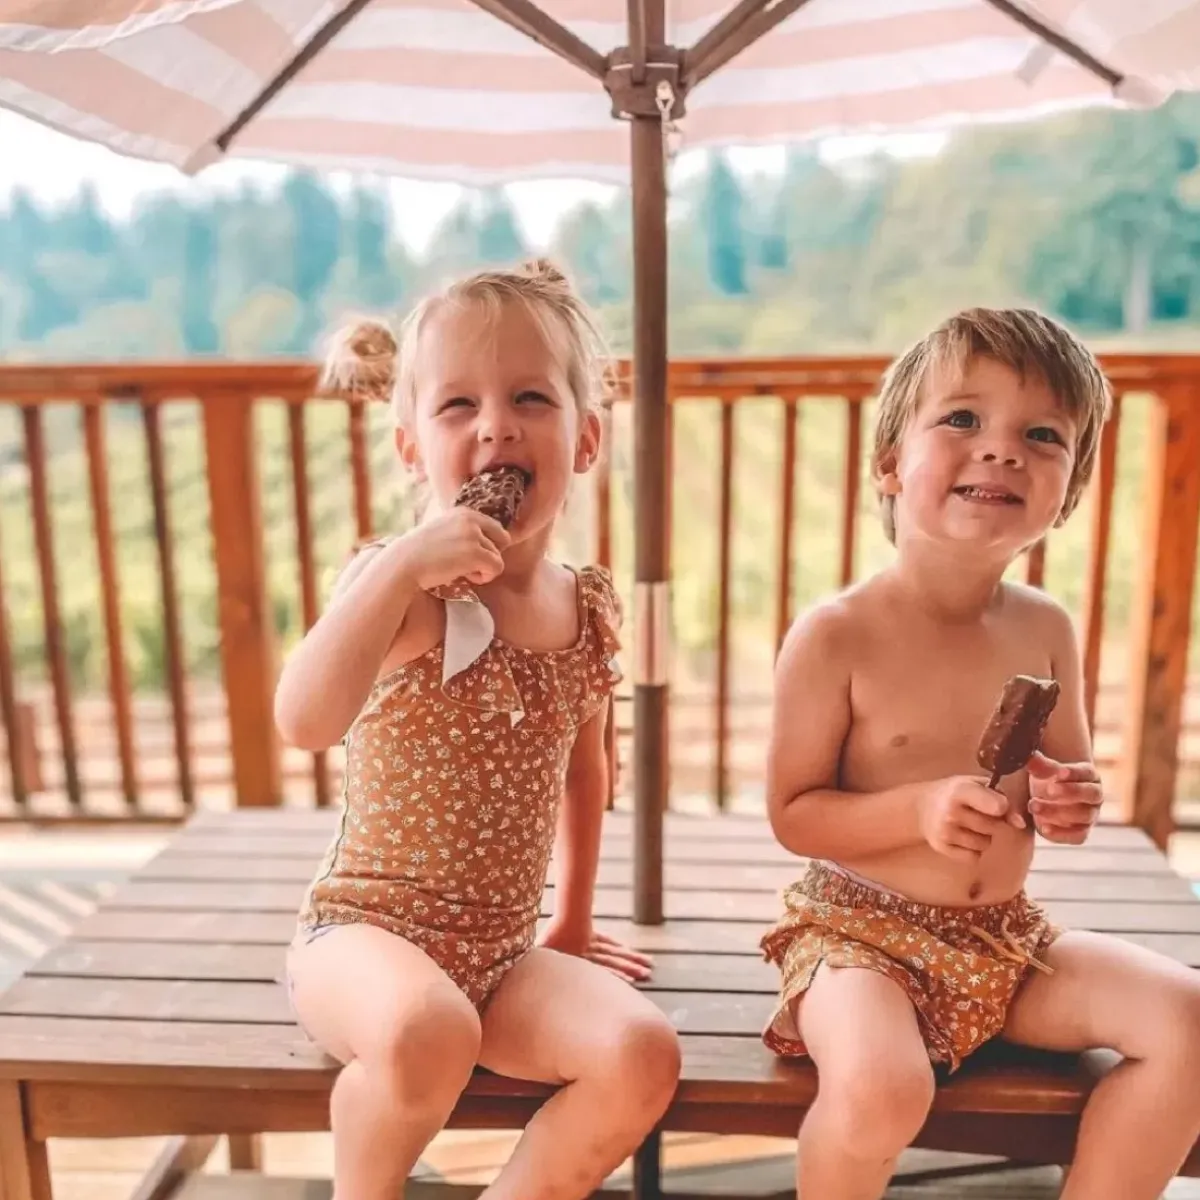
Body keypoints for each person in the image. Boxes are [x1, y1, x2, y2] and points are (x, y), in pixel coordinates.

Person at [761, 307, 1200, 1200]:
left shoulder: (1044, 628)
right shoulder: (837, 634)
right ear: (890, 463)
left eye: (1041, 435)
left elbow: (1060, 787)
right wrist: (916, 809)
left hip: (1007, 938)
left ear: (1067, 490)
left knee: (1187, 1018)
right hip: (858, 939)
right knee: (883, 1089)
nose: (1001, 450)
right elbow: (793, 813)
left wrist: (1067, 800)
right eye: (961, 419)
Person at [274, 259, 681, 1200]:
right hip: (360, 940)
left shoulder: (581, 605)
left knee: (641, 1051)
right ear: (413, 446)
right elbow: (304, 719)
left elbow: (589, 770)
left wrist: (572, 920)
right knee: (430, 1032)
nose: (495, 423)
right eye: (458, 405)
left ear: (584, 439)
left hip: (500, 953)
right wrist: (396, 570)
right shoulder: (398, 590)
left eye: (530, 397)